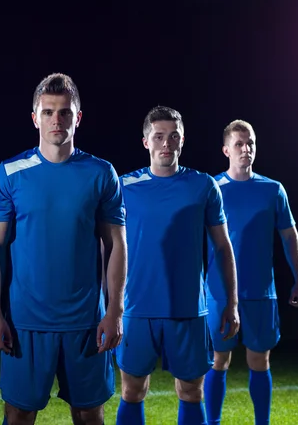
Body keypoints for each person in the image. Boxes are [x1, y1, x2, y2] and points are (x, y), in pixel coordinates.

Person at [0, 73, 127, 425]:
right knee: (18, 415)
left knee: (90, 415)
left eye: (64, 112)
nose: (56, 120)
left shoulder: (102, 173)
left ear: (78, 117)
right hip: (25, 322)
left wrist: (115, 310)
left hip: (85, 322)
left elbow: (116, 244)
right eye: (48, 112)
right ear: (35, 117)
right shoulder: (10, 172)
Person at [115, 106, 241, 425]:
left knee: (190, 392)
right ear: (146, 141)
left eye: (173, 136)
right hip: (136, 308)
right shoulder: (123, 186)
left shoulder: (203, 186)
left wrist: (232, 303)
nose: (166, 144)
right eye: (158, 137)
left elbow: (223, 247)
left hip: (188, 309)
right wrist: (107, 304)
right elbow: (109, 249)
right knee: (131, 391)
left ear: (183, 140)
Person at [204, 120, 298, 425]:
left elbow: (290, 237)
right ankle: (213, 423)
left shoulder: (273, 190)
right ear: (226, 150)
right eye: (239, 144)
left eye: (250, 143)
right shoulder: (212, 189)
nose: (246, 149)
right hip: (219, 293)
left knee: (259, 361)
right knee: (218, 361)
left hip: (261, 292)